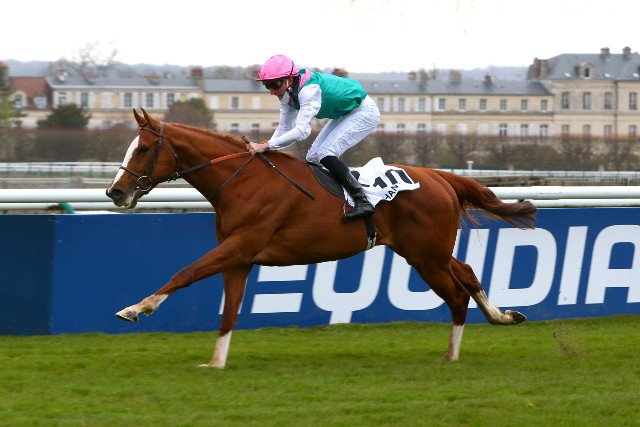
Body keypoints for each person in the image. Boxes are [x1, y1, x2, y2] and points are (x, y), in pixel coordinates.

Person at [247, 54, 380, 221]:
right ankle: (329, 200)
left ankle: (362, 201)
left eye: (275, 85)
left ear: (289, 79)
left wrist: (267, 146)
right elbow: (284, 128)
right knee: (312, 157)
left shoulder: (308, 90)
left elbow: (301, 131)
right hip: (344, 113)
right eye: (267, 86)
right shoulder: (287, 93)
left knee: (325, 153)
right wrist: (267, 146)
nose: (272, 92)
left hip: (364, 112)